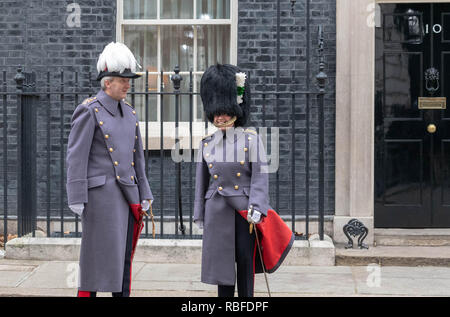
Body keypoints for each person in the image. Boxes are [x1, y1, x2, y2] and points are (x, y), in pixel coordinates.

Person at [194, 64, 294, 297]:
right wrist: (200, 214)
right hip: (217, 211)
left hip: (244, 212)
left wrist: (257, 207)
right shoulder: (207, 144)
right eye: (216, 112)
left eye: (226, 111)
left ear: (235, 110)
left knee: (245, 262)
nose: (221, 116)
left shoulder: (250, 140)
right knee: (222, 268)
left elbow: (260, 176)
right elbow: (202, 183)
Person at [66, 42, 153, 297]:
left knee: (124, 259)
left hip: (128, 196)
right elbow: (76, 158)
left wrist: (144, 192)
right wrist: (77, 196)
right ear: (107, 82)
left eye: (128, 80)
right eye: (123, 80)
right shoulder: (89, 110)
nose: (128, 85)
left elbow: (138, 159)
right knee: (95, 260)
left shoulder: (129, 112)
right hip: (99, 199)